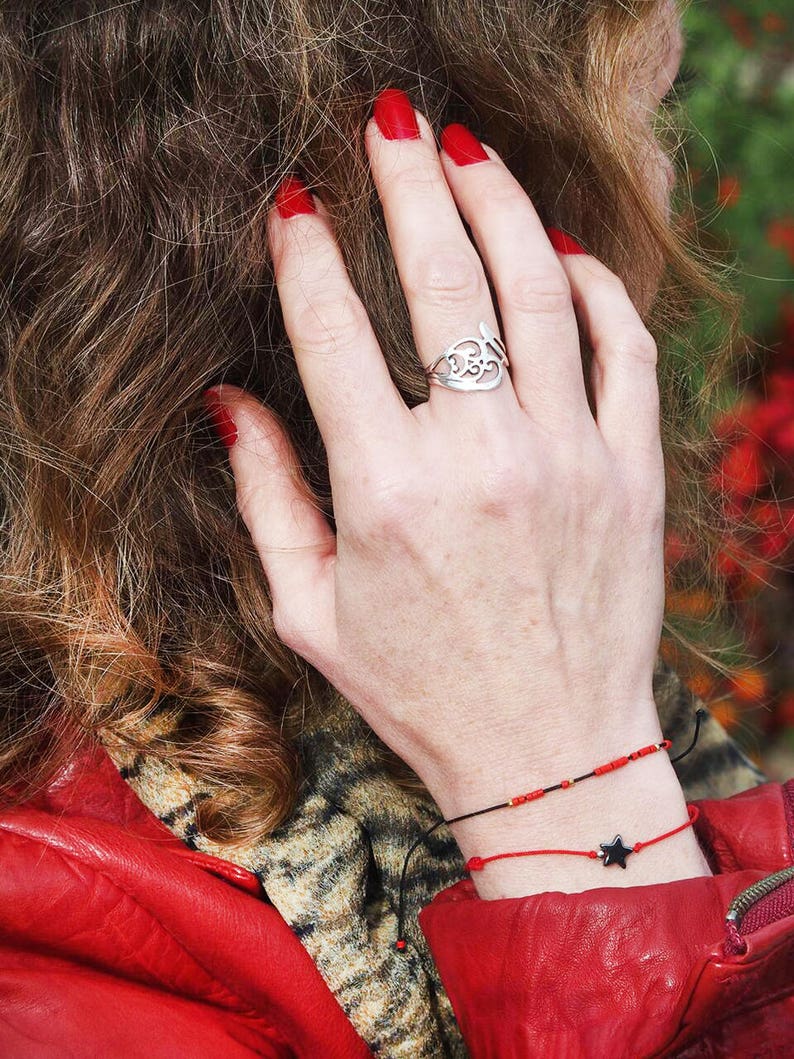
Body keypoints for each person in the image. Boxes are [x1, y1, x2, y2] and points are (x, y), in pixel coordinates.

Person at [0, 0, 791, 1055]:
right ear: (421, 236)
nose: (666, 195)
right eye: (654, 109)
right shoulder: (58, 986)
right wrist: (566, 788)